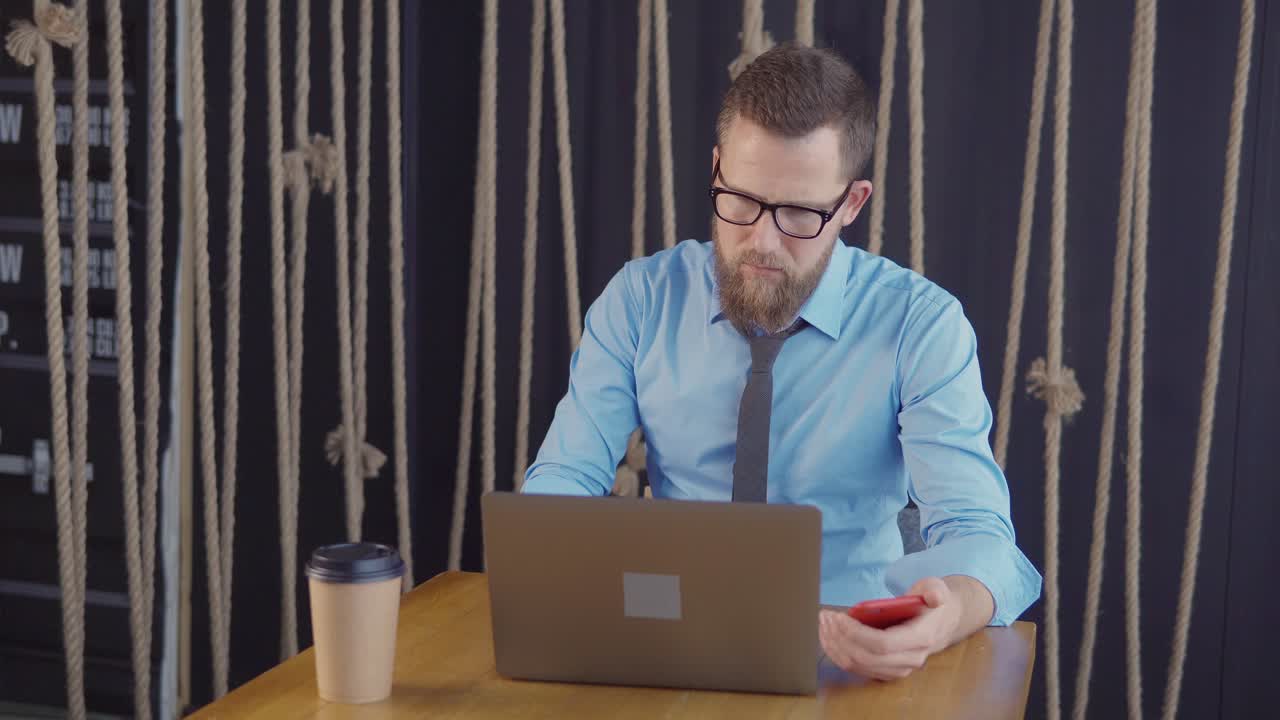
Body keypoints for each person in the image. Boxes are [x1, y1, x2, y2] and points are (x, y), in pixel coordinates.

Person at [521, 43, 1041, 682]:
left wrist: (946, 613)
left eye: (798, 212)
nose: (760, 241)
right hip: (666, 645)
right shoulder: (640, 299)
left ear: (851, 204)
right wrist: (552, 566)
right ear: (715, 169)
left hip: (851, 652)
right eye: (740, 200)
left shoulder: (922, 325)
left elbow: (980, 533)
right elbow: (561, 483)